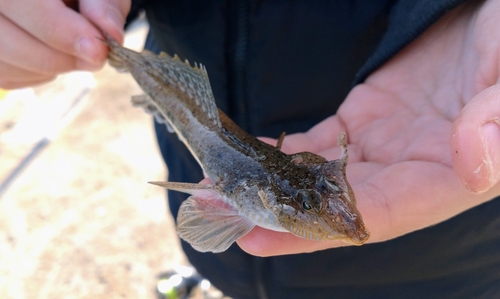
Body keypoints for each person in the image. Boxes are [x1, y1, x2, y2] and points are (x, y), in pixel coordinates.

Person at [1, 0, 499, 298]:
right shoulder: (257, 194)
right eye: (309, 199)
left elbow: (303, 170)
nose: (323, 207)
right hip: (193, 91)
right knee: (228, 261)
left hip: (449, 268)